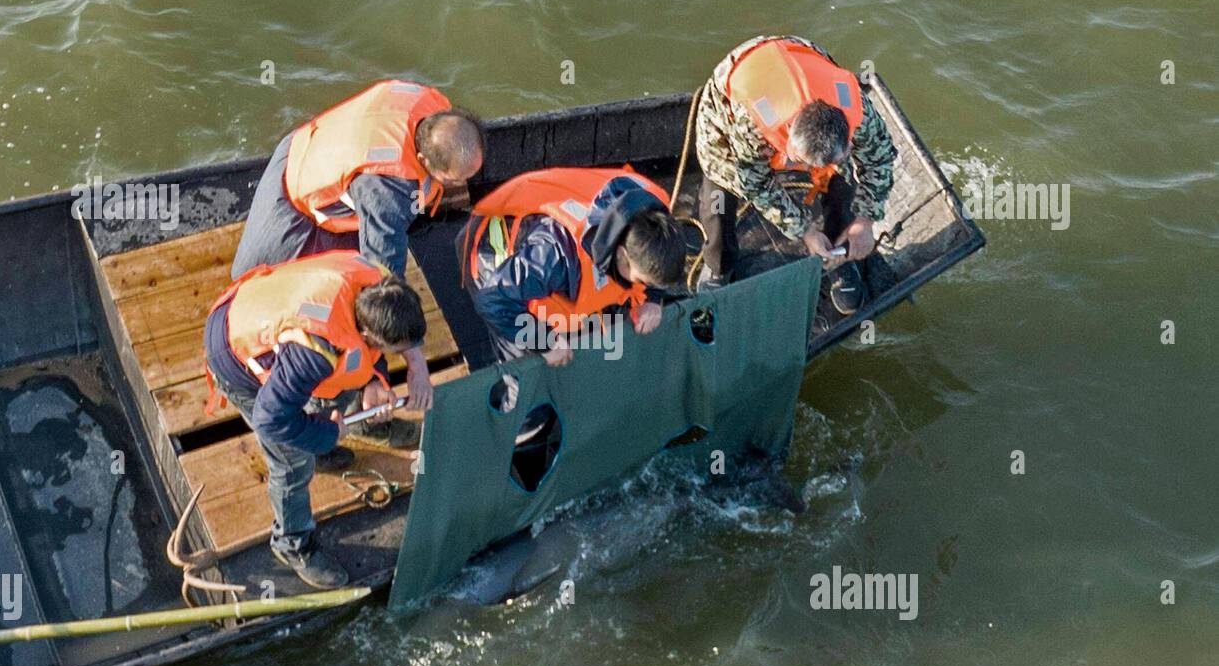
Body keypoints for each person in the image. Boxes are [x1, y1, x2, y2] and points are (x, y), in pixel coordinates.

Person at [232, 79, 483, 412]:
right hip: (297, 201)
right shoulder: (387, 188)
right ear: (422, 157)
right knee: (252, 282)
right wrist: (416, 361)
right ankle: (334, 400)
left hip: (316, 146)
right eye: (453, 180)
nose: (462, 185)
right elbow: (382, 282)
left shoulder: (429, 105)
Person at [203, 251, 426, 588]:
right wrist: (326, 434)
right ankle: (291, 543)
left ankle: (323, 447)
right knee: (291, 463)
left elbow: (358, 356)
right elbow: (270, 418)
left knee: (327, 394)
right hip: (235, 354)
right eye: (397, 350)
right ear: (370, 335)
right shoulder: (314, 350)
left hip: (262, 305)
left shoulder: (375, 280)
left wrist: (375, 380)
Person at [693, 35, 897, 314]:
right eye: (800, 161)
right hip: (735, 97)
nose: (806, 169)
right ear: (788, 140)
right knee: (720, 188)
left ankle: (839, 251)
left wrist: (866, 219)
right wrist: (804, 230)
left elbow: (881, 157)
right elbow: (756, 185)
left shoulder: (857, 110)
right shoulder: (751, 124)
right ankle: (718, 264)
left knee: (842, 178)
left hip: (802, 60)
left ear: (849, 139)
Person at [459, 167, 686, 369]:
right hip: (493, 251)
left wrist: (654, 299)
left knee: (597, 333)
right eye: (644, 281)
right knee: (530, 364)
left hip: (568, 255)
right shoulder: (555, 256)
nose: (645, 287)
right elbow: (491, 299)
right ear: (621, 255)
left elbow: (653, 273)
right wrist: (543, 341)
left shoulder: (657, 212)